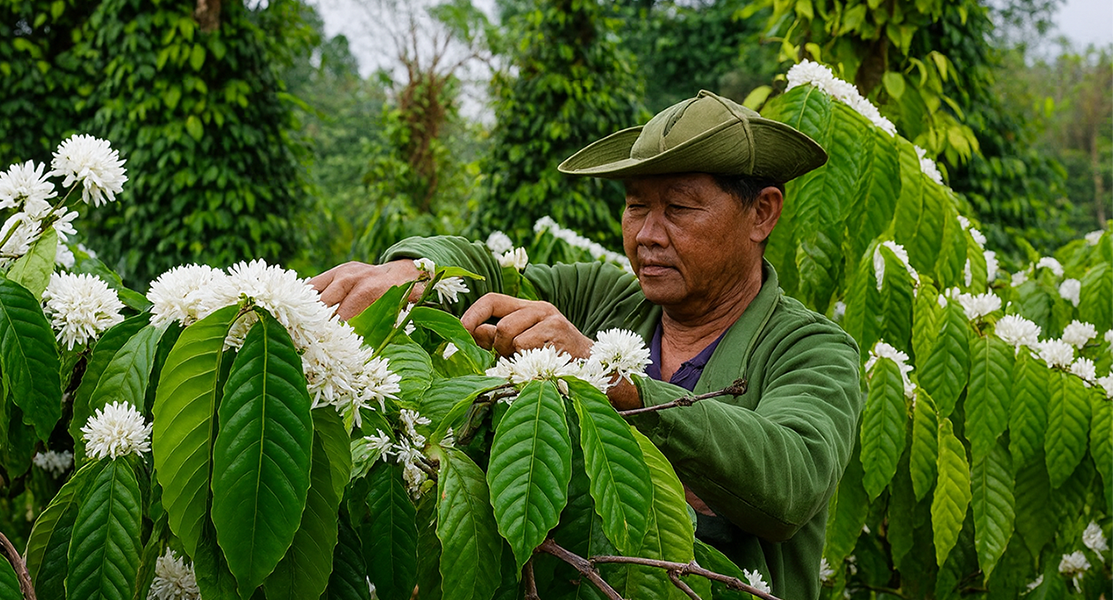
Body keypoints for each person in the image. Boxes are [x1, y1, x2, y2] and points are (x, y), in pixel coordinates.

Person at [311, 90, 863, 600]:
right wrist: (416, 269)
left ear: (762, 213)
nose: (646, 233)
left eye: (679, 208)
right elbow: (487, 271)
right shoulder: (605, 298)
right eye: (635, 205)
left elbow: (791, 478)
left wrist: (608, 378)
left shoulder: (812, 348)